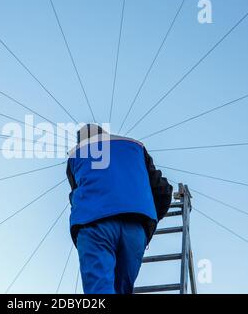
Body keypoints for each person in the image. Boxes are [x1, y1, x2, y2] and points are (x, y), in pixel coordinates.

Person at [66, 124, 173, 294]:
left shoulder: (76, 155)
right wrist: (147, 221)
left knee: (99, 290)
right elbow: (164, 190)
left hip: (94, 224)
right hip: (135, 228)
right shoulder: (134, 146)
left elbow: (76, 194)